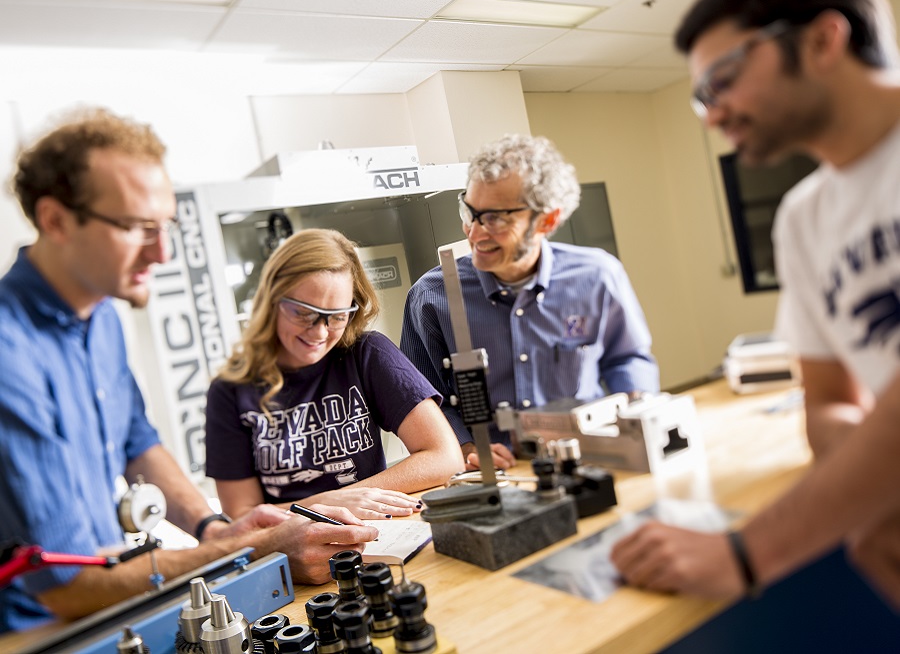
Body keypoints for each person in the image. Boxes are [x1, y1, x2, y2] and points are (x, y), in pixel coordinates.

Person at [0, 109, 377, 633]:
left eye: (166, 226)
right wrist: (257, 547)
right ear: (56, 220)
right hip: (31, 631)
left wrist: (212, 528)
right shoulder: (8, 353)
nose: (162, 251)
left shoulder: (100, 318)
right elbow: (68, 587)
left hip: (104, 607)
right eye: (138, 228)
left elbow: (137, 442)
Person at [611, 0, 900, 609]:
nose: (713, 113)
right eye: (701, 97)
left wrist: (745, 553)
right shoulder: (804, 218)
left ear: (824, 38)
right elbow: (825, 404)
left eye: (725, 79)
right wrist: (875, 495)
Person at [401, 134, 659, 470]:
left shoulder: (597, 276)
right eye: (470, 212)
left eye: (495, 218)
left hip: (590, 459)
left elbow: (627, 358)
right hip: (497, 475)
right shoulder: (431, 297)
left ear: (546, 221)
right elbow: (422, 399)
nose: (474, 233)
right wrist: (464, 446)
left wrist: (635, 410)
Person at [205, 228, 464, 521]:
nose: (319, 332)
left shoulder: (368, 354)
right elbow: (241, 517)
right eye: (303, 313)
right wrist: (328, 504)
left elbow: (445, 457)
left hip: (374, 536)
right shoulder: (229, 391)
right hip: (291, 554)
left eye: (337, 316)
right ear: (272, 301)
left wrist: (357, 497)